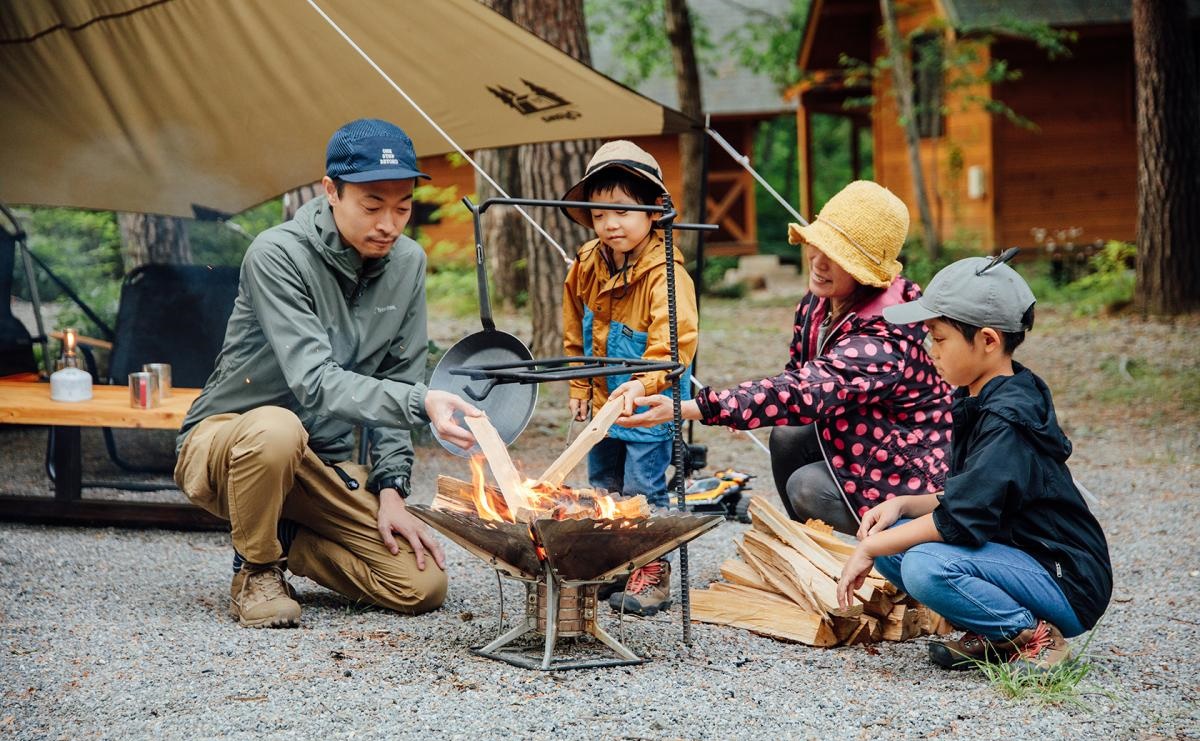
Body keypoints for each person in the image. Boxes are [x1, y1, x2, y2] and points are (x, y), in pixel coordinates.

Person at [174, 118, 480, 629]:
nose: (389, 223)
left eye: (402, 207)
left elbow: (400, 375)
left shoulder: (406, 263)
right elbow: (313, 380)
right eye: (372, 205)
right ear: (331, 191)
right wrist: (422, 403)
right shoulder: (278, 253)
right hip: (231, 443)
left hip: (319, 464)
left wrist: (391, 491)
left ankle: (283, 538)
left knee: (421, 585)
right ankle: (256, 569)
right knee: (277, 426)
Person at [618, 180, 952, 534]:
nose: (818, 262)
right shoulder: (816, 304)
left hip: (910, 466)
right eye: (817, 245)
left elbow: (803, 391)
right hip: (862, 438)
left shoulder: (884, 336)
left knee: (807, 488)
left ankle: (885, 555)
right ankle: (814, 549)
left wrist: (693, 407)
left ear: (864, 273)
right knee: (788, 433)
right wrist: (738, 408)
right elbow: (796, 378)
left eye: (836, 257)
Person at [836, 254, 1112, 672]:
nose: (931, 350)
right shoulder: (982, 395)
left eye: (939, 338)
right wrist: (904, 505)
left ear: (987, 340)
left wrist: (870, 547)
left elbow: (963, 517)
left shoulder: (1008, 419)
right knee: (896, 539)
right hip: (1019, 557)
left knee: (923, 564)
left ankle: (1036, 635)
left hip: (1065, 579)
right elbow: (977, 495)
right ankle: (997, 635)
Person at [559, 140, 699, 617]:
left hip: (647, 403)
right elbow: (574, 330)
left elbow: (675, 343)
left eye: (621, 211)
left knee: (643, 487)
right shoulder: (585, 266)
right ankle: (611, 562)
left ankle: (651, 569)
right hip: (603, 399)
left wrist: (643, 385)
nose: (610, 224)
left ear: (652, 212)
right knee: (603, 484)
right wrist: (580, 387)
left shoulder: (667, 274)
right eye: (599, 215)